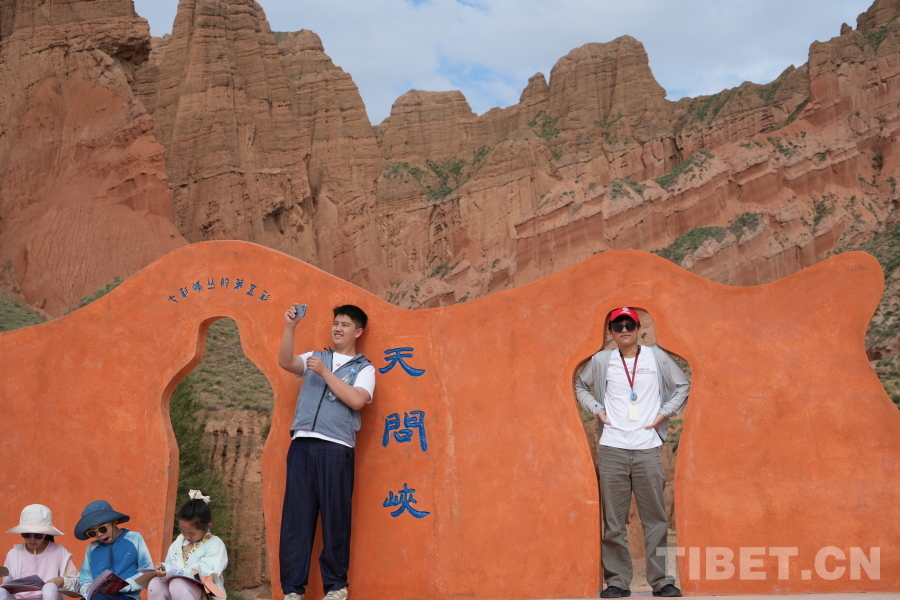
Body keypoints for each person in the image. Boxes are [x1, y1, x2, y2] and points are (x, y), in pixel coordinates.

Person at [575, 307, 689, 598]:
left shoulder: (656, 357)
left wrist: (664, 413)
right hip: (612, 447)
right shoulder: (602, 360)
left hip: (647, 448)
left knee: (656, 520)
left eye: (629, 324)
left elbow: (682, 385)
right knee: (614, 522)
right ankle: (617, 581)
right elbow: (579, 385)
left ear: (639, 329)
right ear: (611, 332)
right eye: (618, 326)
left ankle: (661, 581)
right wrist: (597, 409)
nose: (624, 330)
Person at [277, 305, 376, 600]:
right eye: (335, 323)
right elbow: (285, 362)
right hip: (301, 445)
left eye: (345, 324)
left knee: (335, 518)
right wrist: (290, 327)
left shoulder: (364, 368)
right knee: (296, 519)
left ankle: (336, 587)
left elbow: (357, 400)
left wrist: (325, 372)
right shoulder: (315, 356)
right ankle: (292, 590)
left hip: (336, 448)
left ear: (357, 332)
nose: (338, 328)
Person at [147, 490, 228, 600]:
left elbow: (206, 572)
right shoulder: (179, 541)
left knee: (178, 584)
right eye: (183, 531)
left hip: (205, 593)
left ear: (207, 527)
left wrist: (178, 571)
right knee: (155, 583)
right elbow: (169, 563)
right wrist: (164, 571)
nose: (187, 536)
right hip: (177, 590)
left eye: (192, 533)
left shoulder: (215, 544)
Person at [75, 500, 154, 600]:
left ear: (114, 521)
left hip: (127, 596)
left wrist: (126, 585)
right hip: (97, 596)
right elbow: (85, 578)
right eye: (93, 533)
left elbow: (147, 572)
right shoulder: (92, 547)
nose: (99, 534)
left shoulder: (134, 538)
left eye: (102, 529)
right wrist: (87, 588)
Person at [1, 505, 79, 600]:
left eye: (38, 535)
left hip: (49, 597)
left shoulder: (59, 551)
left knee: (49, 589)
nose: (32, 539)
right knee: (1, 592)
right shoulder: (13, 553)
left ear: (45, 533)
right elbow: (7, 586)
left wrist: (61, 581)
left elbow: (78, 584)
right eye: (26, 534)